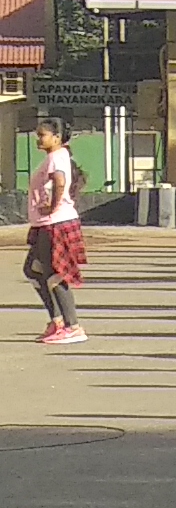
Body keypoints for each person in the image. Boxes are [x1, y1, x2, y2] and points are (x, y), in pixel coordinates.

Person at [25, 111, 86, 343]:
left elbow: (59, 181)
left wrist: (52, 206)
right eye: (37, 135)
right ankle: (57, 320)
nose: (38, 139)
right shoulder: (55, 156)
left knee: (53, 274)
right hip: (45, 224)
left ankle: (73, 327)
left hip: (55, 224)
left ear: (57, 137)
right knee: (33, 269)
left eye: (43, 135)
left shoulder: (56, 157)